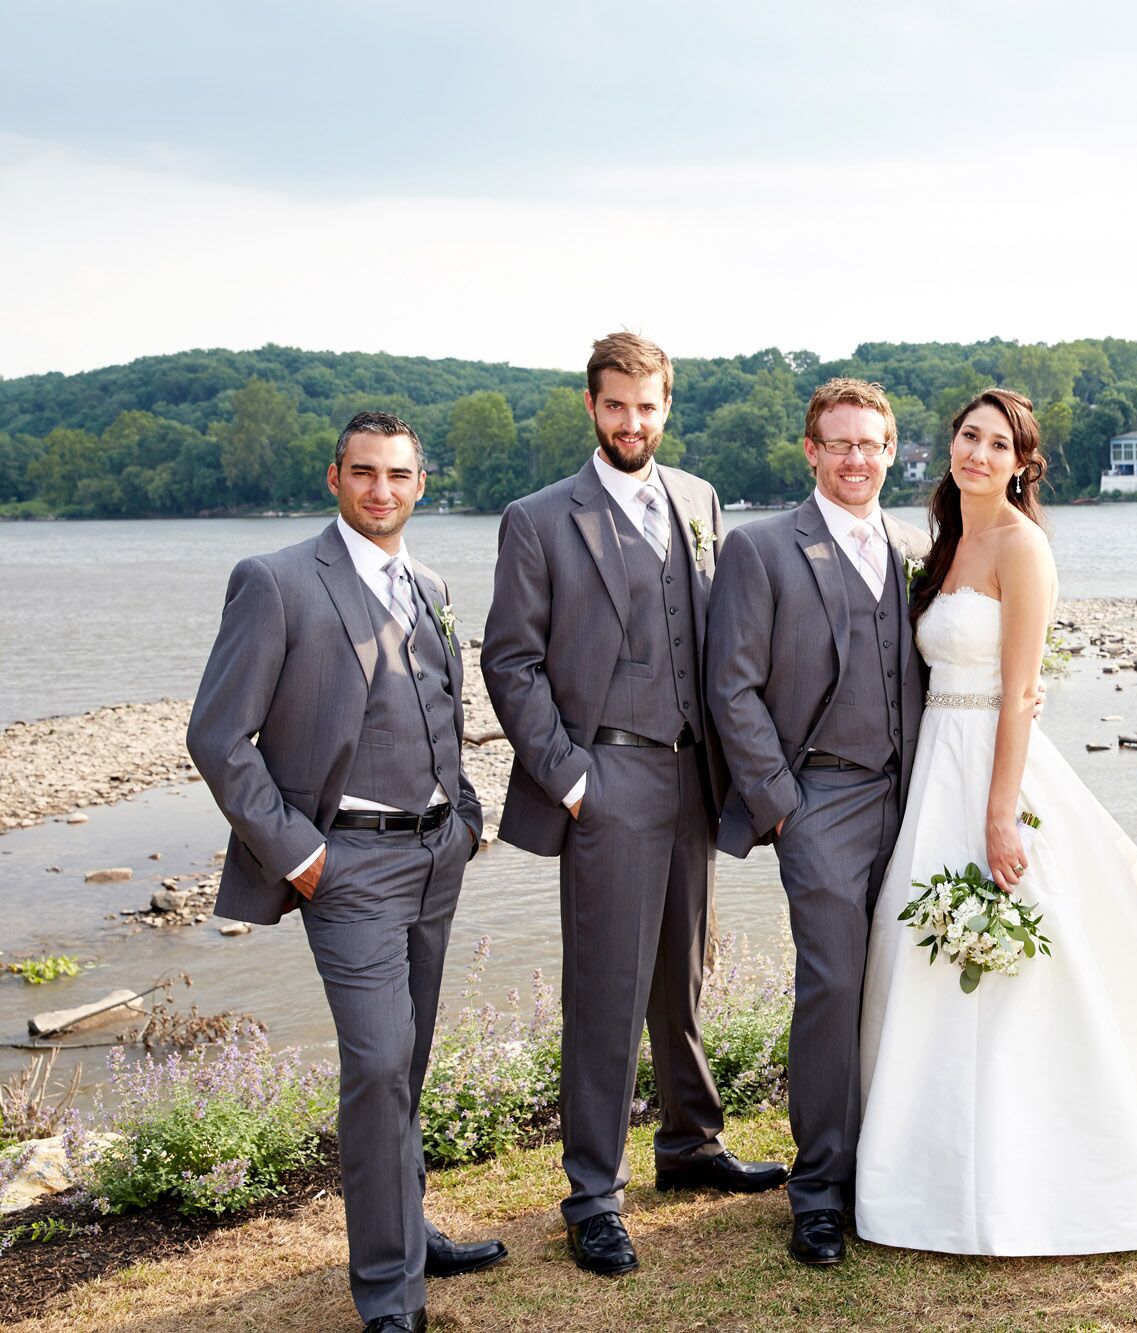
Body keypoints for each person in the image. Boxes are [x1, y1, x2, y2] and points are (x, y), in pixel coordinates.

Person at [853, 389, 1137, 1256]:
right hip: (935, 760)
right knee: (919, 950)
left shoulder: (1024, 548)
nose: (978, 453)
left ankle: (1037, 1156)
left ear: (1023, 463)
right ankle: (918, 1151)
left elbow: (1019, 689)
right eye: (968, 437)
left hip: (994, 764)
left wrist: (999, 813)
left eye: (997, 443)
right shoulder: (942, 545)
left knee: (1025, 949)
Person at [189, 412, 502, 1333]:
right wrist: (300, 852)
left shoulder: (432, 581)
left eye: (398, 475)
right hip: (346, 865)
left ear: (420, 484)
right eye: (363, 473)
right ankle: (389, 1297)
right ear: (335, 477)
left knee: (408, 1059)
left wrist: (469, 813)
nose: (381, 490)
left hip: (437, 854)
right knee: (374, 1064)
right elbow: (217, 735)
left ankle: (409, 1227)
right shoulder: (277, 581)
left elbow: (444, 703)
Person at [483, 333, 784, 1279]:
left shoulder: (698, 501)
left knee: (680, 976)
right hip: (605, 778)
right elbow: (510, 660)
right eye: (616, 405)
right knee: (606, 993)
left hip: (694, 775)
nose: (632, 422)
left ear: (667, 405)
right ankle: (593, 1194)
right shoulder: (537, 519)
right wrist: (571, 777)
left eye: (647, 405)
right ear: (591, 407)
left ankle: (691, 1147)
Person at [704, 377, 931, 1266]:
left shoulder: (917, 547)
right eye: (839, 443)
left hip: (914, 795)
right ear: (810, 450)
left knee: (907, 979)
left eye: (871, 443)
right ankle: (820, 1189)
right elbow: (733, 687)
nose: (855, 459)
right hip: (821, 800)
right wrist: (784, 806)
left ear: (890, 449)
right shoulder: (762, 549)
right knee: (833, 985)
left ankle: (897, 1164)